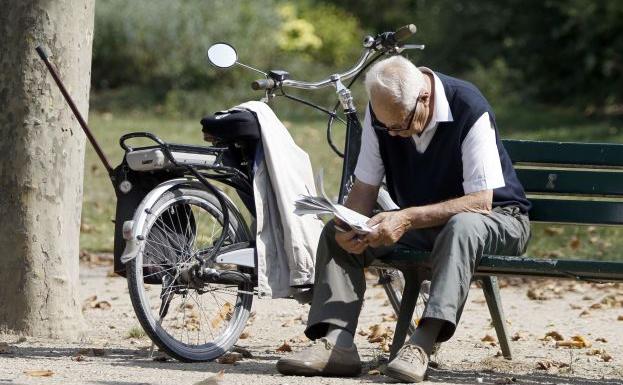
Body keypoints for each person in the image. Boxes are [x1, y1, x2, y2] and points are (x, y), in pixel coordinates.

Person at [276, 55, 531, 383]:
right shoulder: (382, 114)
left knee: (462, 225)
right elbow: (365, 187)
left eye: (401, 125)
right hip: (429, 224)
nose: (394, 134)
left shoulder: (468, 106)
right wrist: (348, 224)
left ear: (424, 97)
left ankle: (422, 345)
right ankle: (337, 343)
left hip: (498, 219)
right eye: (388, 127)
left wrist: (406, 218)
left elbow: (481, 203)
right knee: (334, 234)